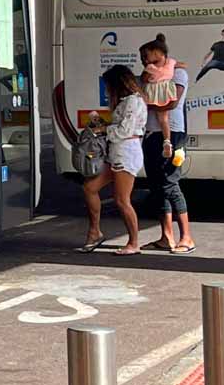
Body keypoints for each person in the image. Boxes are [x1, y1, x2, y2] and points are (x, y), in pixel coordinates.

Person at [79, 64, 148, 256]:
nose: (107, 89)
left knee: (122, 200)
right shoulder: (127, 101)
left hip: (125, 153)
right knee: (90, 187)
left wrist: (102, 129)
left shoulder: (133, 102)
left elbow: (124, 131)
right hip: (117, 153)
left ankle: (134, 242)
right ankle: (95, 232)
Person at [139, 35, 196, 253]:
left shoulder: (178, 73)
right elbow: (139, 92)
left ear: (160, 53)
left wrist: (149, 103)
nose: (144, 60)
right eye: (142, 57)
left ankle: (187, 237)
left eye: (148, 55)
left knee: (170, 183)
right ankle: (166, 237)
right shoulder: (147, 74)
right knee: (156, 185)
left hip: (173, 133)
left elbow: (172, 102)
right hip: (150, 133)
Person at [139, 32, 183, 160]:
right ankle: (167, 142)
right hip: (165, 92)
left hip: (153, 93)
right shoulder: (171, 64)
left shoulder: (150, 68)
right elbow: (182, 65)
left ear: (157, 52)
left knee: (141, 114)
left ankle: (142, 140)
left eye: (146, 56)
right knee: (164, 120)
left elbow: (144, 79)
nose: (145, 60)